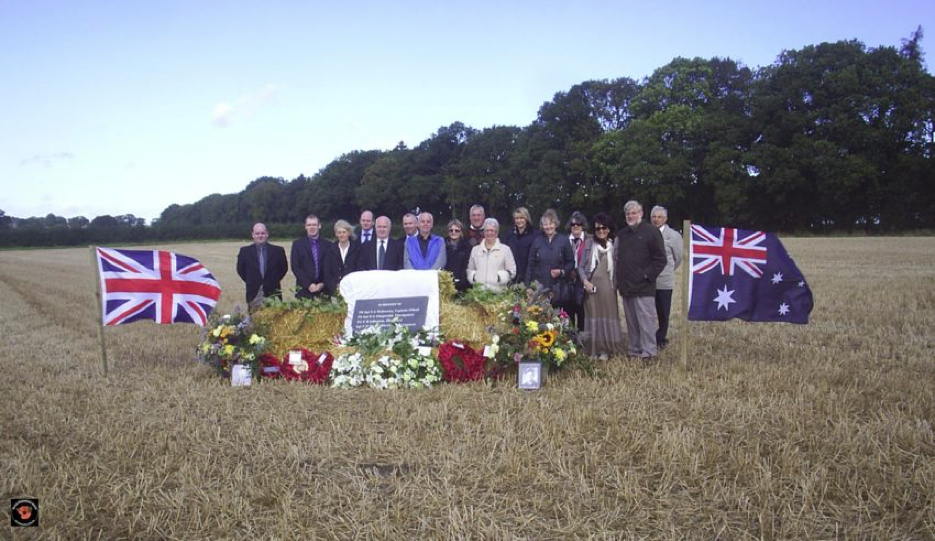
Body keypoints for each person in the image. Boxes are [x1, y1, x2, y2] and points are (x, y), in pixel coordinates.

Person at [615, 201, 667, 359]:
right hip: (627, 287)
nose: (631, 216)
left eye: (634, 213)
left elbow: (660, 259)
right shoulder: (622, 234)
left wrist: (647, 276)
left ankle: (649, 352)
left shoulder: (651, 232)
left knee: (646, 323)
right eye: (628, 214)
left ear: (641, 213)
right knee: (632, 322)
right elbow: (618, 258)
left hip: (644, 287)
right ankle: (634, 350)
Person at [577, 213, 625, 360]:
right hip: (591, 288)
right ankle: (595, 349)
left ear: (609, 229)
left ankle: (608, 349)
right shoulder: (590, 244)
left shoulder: (615, 244)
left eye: (604, 228)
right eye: (597, 228)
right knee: (593, 317)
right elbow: (580, 266)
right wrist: (585, 281)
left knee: (608, 316)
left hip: (609, 288)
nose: (601, 231)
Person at [525, 209, 575, 306]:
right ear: (542, 226)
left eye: (551, 223)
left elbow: (571, 262)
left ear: (556, 224)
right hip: (540, 287)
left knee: (557, 317)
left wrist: (561, 272)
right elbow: (530, 265)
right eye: (545, 224)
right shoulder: (537, 241)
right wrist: (528, 286)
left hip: (558, 288)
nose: (548, 227)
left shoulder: (564, 240)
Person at [650, 205, 683, 349]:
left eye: (659, 217)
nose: (656, 219)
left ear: (665, 218)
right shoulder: (646, 233)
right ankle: (648, 337)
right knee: (648, 311)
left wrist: (668, 270)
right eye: (654, 217)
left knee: (663, 312)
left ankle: (661, 338)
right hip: (647, 281)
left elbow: (678, 258)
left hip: (664, 280)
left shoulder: (674, 236)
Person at [236, 222, 288, 309]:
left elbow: (283, 269)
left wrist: (272, 281)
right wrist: (252, 281)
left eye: (262, 233)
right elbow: (241, 270)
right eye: (257, 233)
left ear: (267, 234)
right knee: (254, 321)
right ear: (253, 235)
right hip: (253, 295)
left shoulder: (278, 251)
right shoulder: (244, 252)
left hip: (274, 295)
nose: (260, 236)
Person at [467, 218, 516, 291]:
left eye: (492, 230)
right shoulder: (475, 250)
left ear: (496, 233)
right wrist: (473, 277)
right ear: (484, 232)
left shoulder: (505, 250)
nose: (489, 233)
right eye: (487, 230)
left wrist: (500, 278)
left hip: (498, 294)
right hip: (478, 293)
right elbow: (470, 269)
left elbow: (512, 271)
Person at [291, 214, 332, 299]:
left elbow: (330, 267)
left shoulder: (328, 245)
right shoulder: (297, 245)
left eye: (314, 225)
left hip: (323, 291)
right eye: (309, 225)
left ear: (319, 226)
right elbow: (295, 267)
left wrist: (323, 283)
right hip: (304, 291)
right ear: (305, 227)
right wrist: (308, 284)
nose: (311, 227)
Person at [565, 210, 590, 331]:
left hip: (584, 280)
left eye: (578, 224)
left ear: (583, 225)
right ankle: (569, 338)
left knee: (582, 310)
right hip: (568, 280)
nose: (575, 226)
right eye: (572, 224)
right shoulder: (564, 241)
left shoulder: (589, 240)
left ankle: (582, 336)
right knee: (568, 310)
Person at [323, 219, 361, 295]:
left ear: (349, 233)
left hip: (352, 290)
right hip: (335, 291)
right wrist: (335, 287)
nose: (341, 235)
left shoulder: (357, 249)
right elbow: (327, 271)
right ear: (336, 234)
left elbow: (359, 269)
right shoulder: (330, 250)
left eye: (344, 232)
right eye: (339, 232)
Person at [504, 206, 539, 285]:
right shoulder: (510, 234)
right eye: (516, 218)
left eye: (521, 218)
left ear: (527, 218)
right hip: (512, 277)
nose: (519, 220)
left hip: (529, 277)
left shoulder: (535, 235)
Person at [444, 218, 473, 293]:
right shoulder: (442, 245)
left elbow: (467, 266)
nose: (454, 232)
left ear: (461, 232)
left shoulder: (467, 247)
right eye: (451, 230)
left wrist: (461, 282)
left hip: (461, 285)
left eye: (457, 230)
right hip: (445, 283)